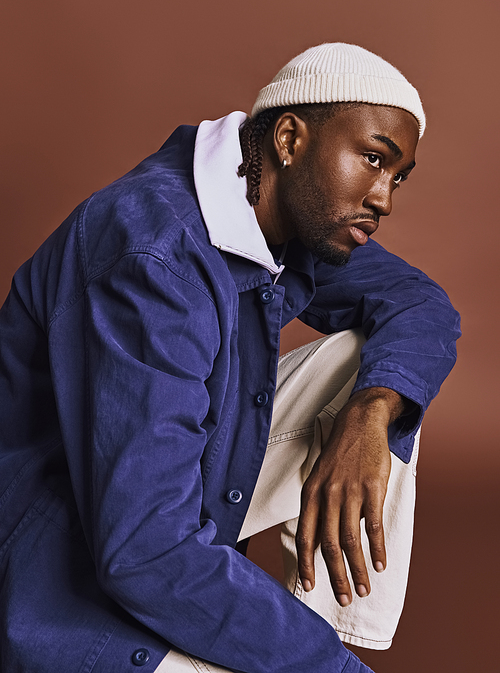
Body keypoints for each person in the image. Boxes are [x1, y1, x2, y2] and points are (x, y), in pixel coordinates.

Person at [0, 43, 460, 673]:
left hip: (154, 510)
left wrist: (371, 415)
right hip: (58, 577)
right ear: (291, 141)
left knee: (377, 367)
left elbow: (420, 305)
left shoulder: (280, 215)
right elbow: (144, 550)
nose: (383, 198)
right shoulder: (154, 253)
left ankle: (322, 631)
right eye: (373, 159)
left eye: (397, 175)